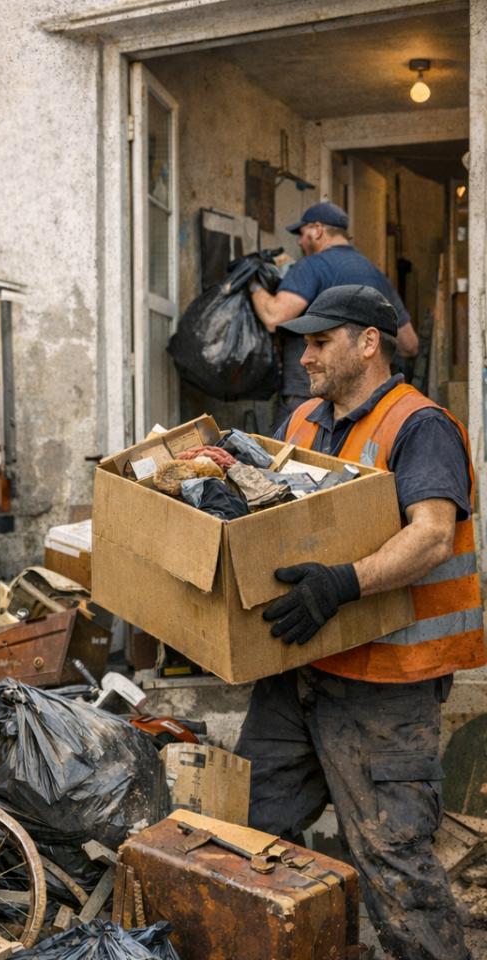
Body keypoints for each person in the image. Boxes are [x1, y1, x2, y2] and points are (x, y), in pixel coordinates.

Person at [235, 284, 484, 960]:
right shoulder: (303, 420)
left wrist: (341, 583)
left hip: (385, 685)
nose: (305, 355)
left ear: (367, 343)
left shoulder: (421, 425)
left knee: (394, 866)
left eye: (320, 341)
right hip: (299, 671)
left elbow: (432, 535)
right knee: (251, 839)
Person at [250, 201, 420, 428]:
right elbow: (410, 345)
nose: (300, 242)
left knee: (285, 463)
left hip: (310, 400)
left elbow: (275, 318)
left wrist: (252, 283)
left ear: (318, 229)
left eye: (302, 234)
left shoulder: (311, 266)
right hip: (365, 406)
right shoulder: (376, 274)